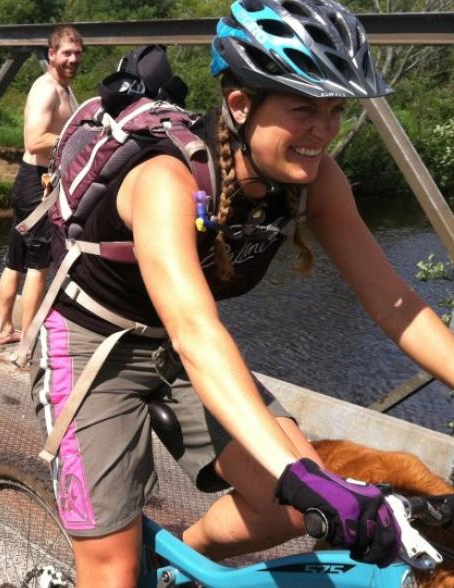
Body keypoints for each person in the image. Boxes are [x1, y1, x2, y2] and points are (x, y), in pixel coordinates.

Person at [30, 0, 454, 585]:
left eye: (335, 110)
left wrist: (299, 483)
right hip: (91, 341)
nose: (324, 132)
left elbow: (397, 304)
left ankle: (175, 562)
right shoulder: (166, 177)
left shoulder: (316, 180)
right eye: (304, 108)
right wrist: (296, 469)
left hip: (179, 344)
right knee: (112, 568)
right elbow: (198, 332)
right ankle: (133, 566)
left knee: (290, 508)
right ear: (239, 104)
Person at [0, 25, 83, 345]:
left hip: (33, 183)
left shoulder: (62, 89)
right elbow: (33, 141)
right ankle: (30, 336)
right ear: (51, 54)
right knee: (38, 265)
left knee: (15, 260)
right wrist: (78, 139)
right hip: (38, 185)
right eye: (66, 53)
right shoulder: (47, 89)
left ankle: (5, 328)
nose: (73, 59)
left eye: (77, 52)